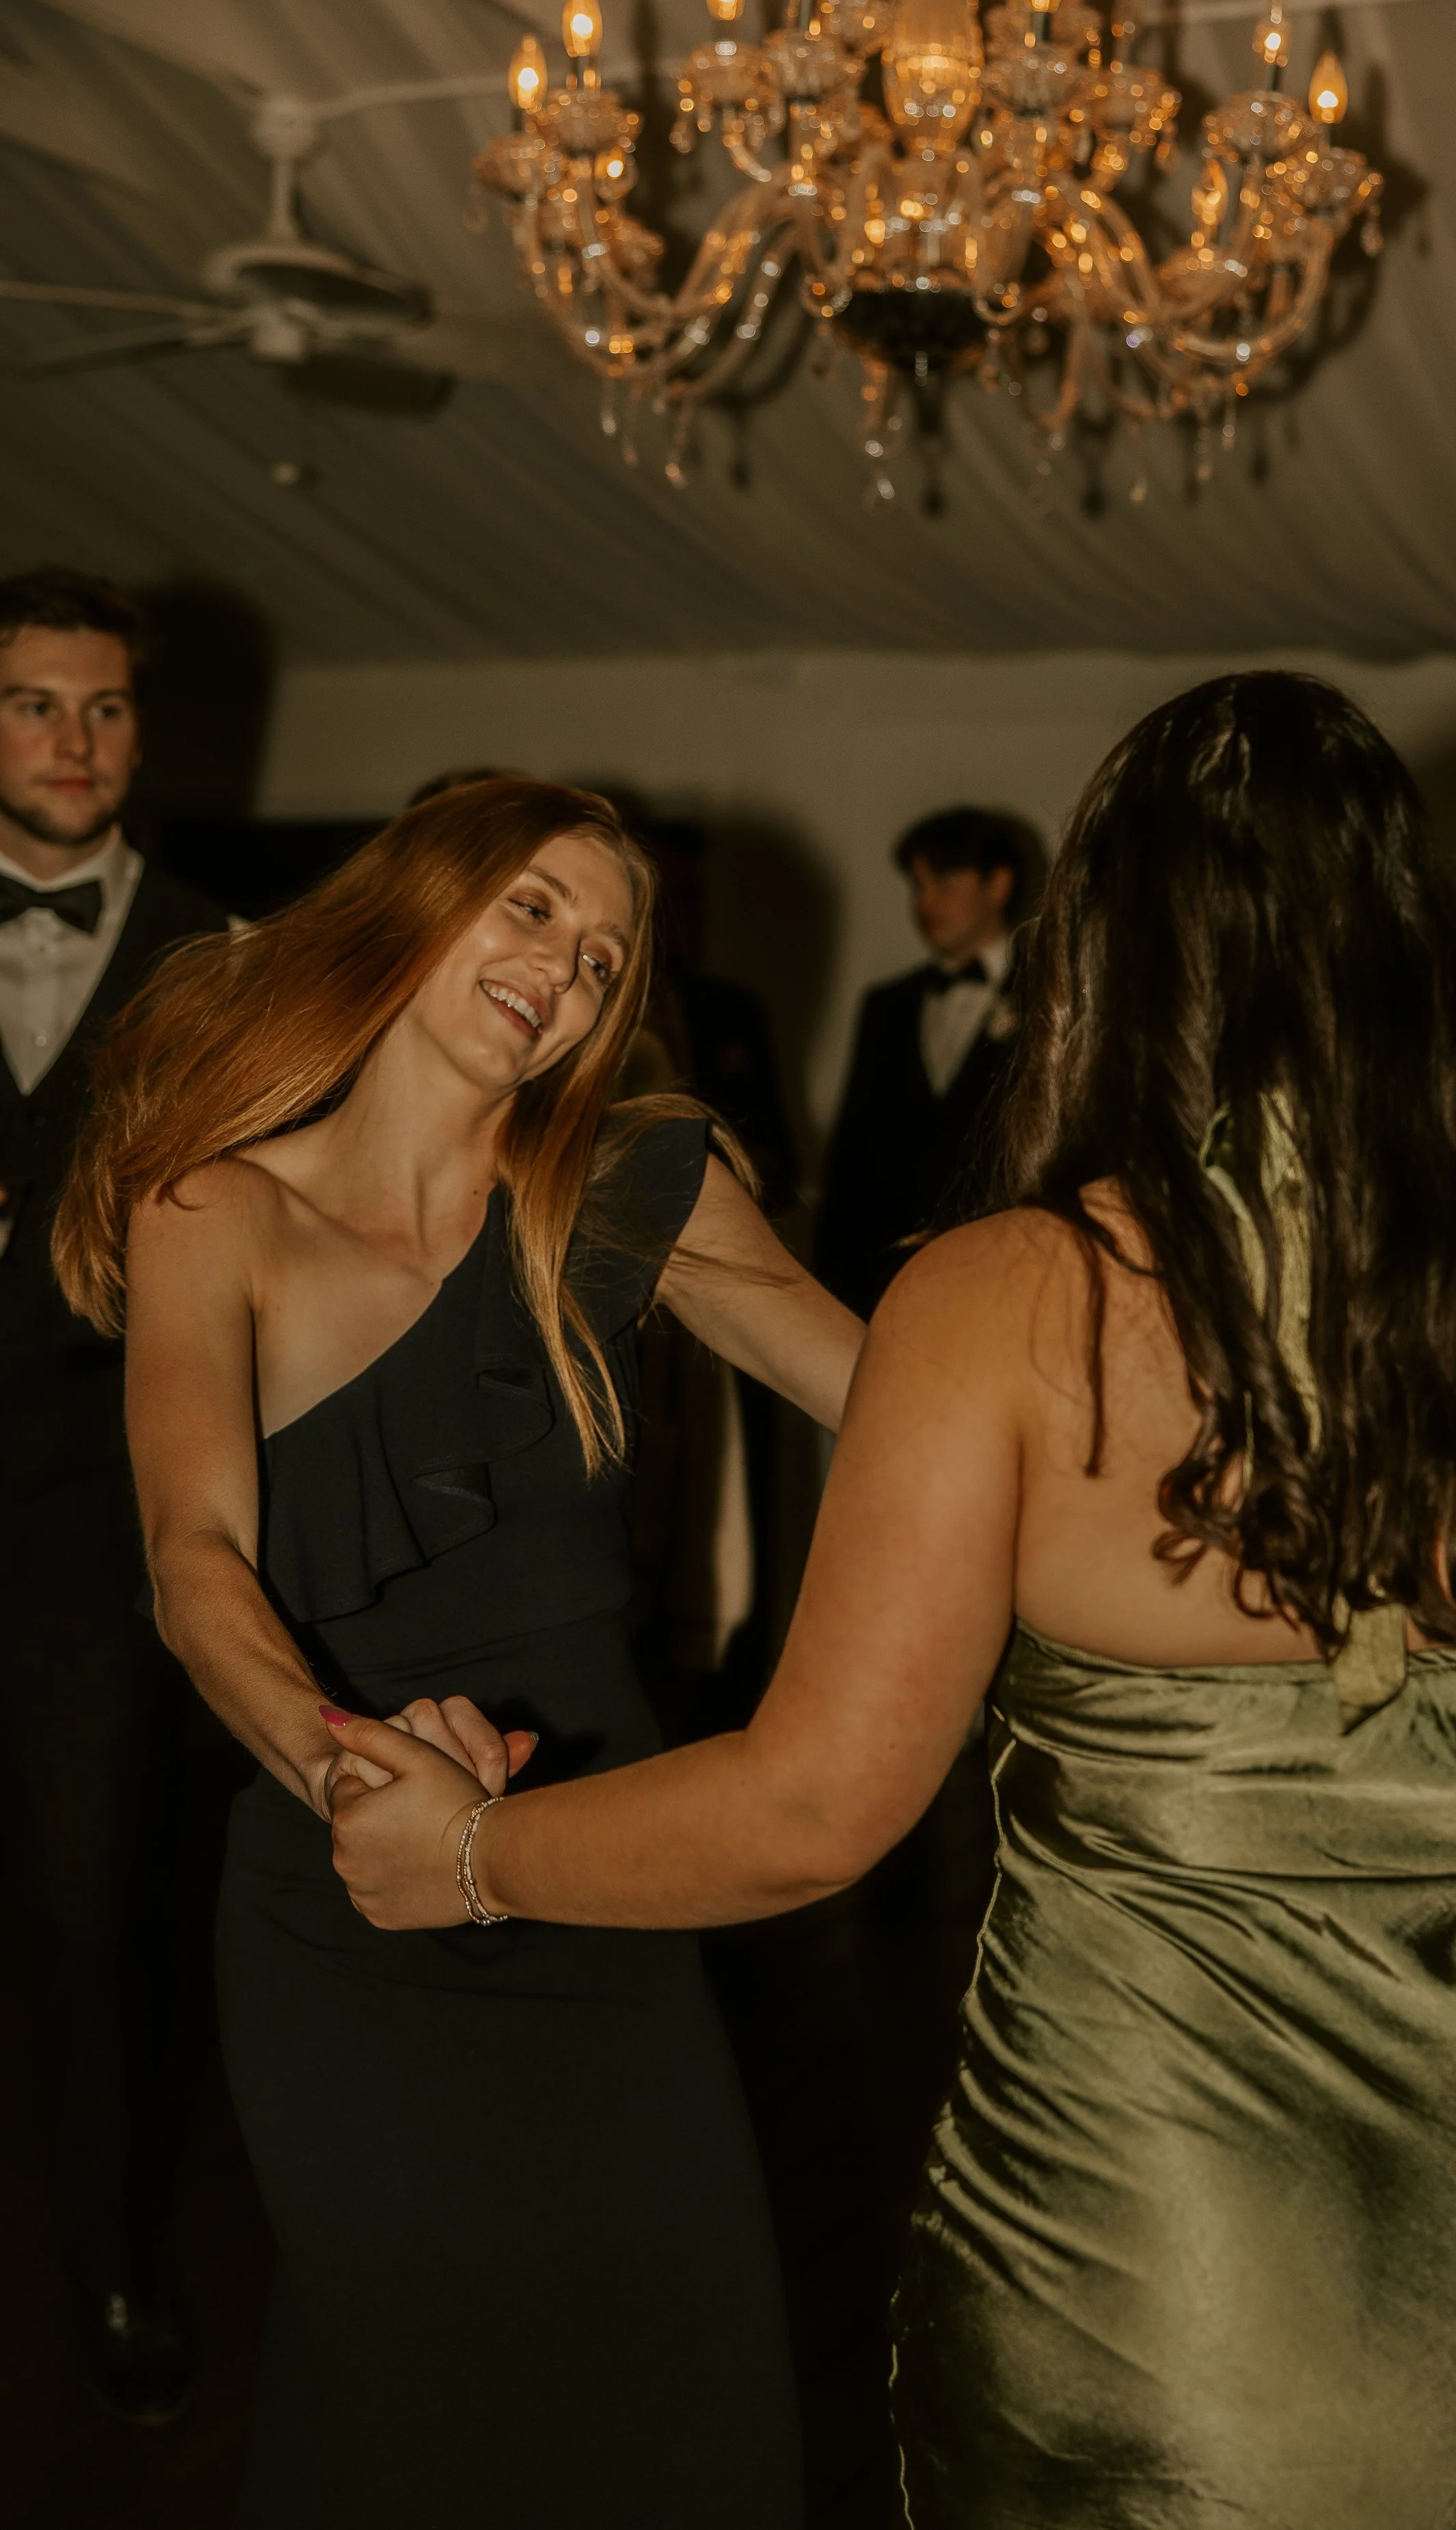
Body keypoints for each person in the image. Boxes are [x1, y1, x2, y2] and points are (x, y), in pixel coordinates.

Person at [320, 675, 1456, 2530]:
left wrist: (470, 1854)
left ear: (1102, 954)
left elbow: (817, 1805)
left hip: (1150, 2262)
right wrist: (1443, 1636)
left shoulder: (1006, 1295)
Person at [53, 777, 864, 2527]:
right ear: (418, 902)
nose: (562, 968)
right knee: (417, 2409)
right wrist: (357, 1773)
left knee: (689, 2392)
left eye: (600, 954)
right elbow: (196, 1568)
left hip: (603, 1876)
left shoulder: (626, 1183)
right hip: (337, 1897)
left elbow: (899, 1411)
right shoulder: (221, 1213)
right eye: (530, 909)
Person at [0, 562, 228, 2421]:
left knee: (91, 1914)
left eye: (104, 707)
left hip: (91, 1504)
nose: (74, 741)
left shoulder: (226, 961)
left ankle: (119, 2271)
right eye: (34, 703)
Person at [815, 803, 1027, 1316]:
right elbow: (851, 1157)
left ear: (998, 885)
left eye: (944, 883)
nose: (925, 901)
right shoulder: (886, 1004)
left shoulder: (1051, 992)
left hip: (1008, 1279)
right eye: (917, 885)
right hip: (891, 1286)